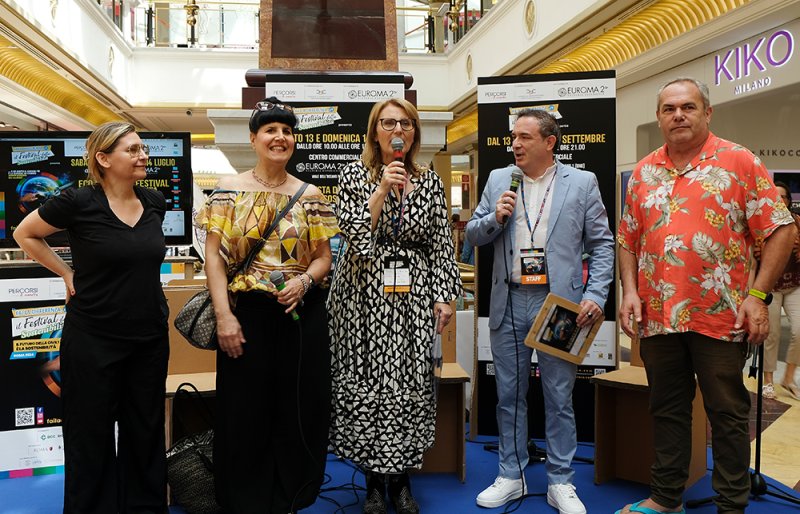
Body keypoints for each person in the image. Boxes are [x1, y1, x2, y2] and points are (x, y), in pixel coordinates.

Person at [617, 77, 797, 514]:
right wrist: (629, 291)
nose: (678, 115)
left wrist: (758, 295)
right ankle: (666, 499)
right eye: (669, 109)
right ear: (658, 117)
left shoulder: (739, 161)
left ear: (707, 112)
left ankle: (731, 506)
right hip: (658, 317)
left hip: (720, 316)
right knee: (667, 409)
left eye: (688, 107)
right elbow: (628, 239)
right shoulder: (643, 173)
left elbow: (781, 228)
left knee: (727, 414)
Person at [14, 121, 170, 513]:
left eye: (143, 148)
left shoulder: (155, 201)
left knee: (146, 430)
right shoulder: (78, 201)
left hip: (148, 337)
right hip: (93, 337)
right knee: (90, 434)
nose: (143, 156)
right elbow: (25, 234)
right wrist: (66, 273)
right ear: (103, 158)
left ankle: (144, 508)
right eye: (132, 150)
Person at [465, 109, 614, 514]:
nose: (515, 144)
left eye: (524, 137)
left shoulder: (581, 183)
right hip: (509, 299)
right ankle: (511, 475)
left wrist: (596, 295)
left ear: (549, 142)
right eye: (513, 137)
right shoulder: (499, 179)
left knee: (559, 396)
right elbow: (473, 234)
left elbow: (602, 245)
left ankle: (560, 482)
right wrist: (494, 217)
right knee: (509, 395)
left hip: (559, 304)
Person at [197, 98, 339, 513]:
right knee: (244, 409)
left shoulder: (309, 194)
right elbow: (213, 259)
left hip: (300, 315)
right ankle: (244, 498)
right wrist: (224, 316)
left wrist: (304, 281)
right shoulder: (228, 189)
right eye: (270, 130)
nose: (280, 138)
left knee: (299, 404)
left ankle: (292, 494)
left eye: (287, 131)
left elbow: (323, 258)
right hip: (247, 315)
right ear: (253, 139)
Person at [328, 97, 462, 514]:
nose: (397, 130)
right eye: (388, 123)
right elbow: (354, 234)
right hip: (361, 299)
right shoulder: (353, 175)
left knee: (407, 383)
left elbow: (440, 243)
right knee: (368, 383)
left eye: (405, 123)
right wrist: (383, 187)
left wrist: (444, 295)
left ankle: (401, 481)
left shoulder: (430, 181)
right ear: (374, 131)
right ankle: (372, 483)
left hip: (413, 299)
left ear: (414, 132)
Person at [761, 181, 800, 401]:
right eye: (774, 196)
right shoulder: (762, 222)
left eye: (782, 196)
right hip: (770, 287)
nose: (778, 200)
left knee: (799, 330)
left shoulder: (797, 222)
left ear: (788, 200)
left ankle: (788, 378)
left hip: (795, 284)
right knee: (772, 334)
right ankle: (768, 380)